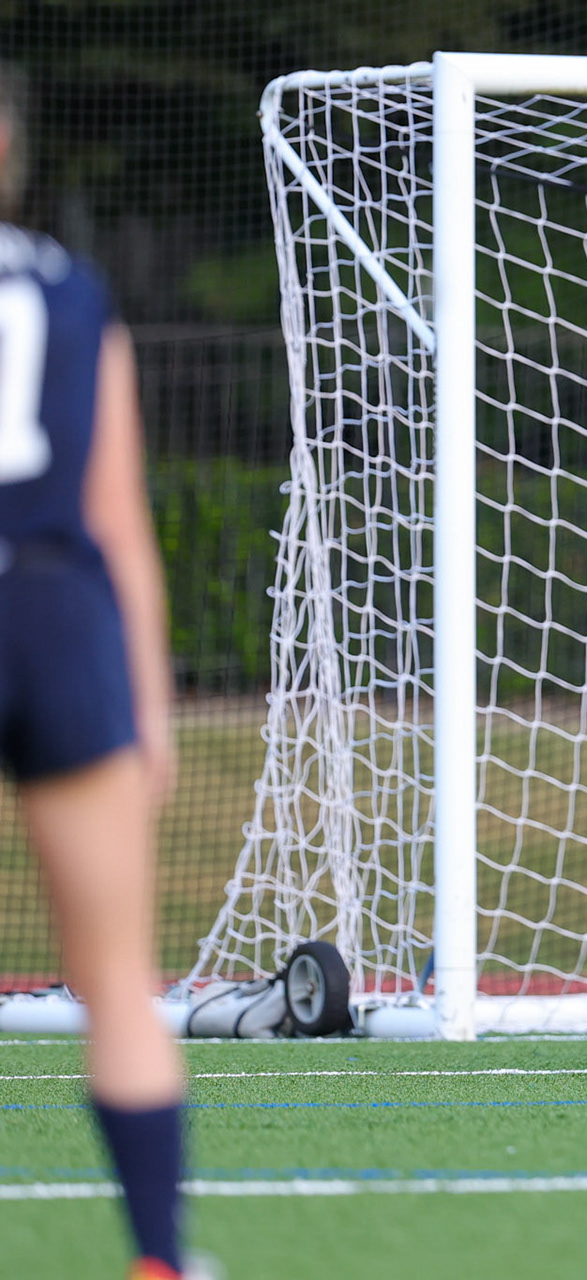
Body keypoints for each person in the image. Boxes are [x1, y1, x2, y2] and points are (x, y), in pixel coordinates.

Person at [0, 75, 194, 1277]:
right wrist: (148, 704)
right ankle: (158, 1261)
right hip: (59, 619)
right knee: (117, 975)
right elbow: (119, 519)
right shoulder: (72, 290)